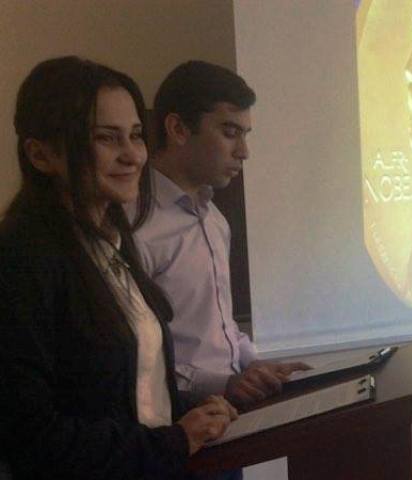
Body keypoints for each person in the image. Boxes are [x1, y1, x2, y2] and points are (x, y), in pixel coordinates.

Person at [0, 56, 237, 480]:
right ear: (40, 154)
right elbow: (32, 438)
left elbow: (125, 393)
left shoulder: (111, 240)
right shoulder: (21, 260)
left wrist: (189, 412)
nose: (132, 156)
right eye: (106, 138)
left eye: (136, 135)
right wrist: (174, 440)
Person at [133, 61, 308, 410]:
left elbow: (220, 326)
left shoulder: (215, 220)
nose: (244, 151)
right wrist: (222, 385)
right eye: (230, 133)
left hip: (228, 410)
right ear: (178, 129)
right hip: (176, 420)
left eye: (245, 135)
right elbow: (137, 360)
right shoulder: (134, 226)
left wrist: (253, 364)